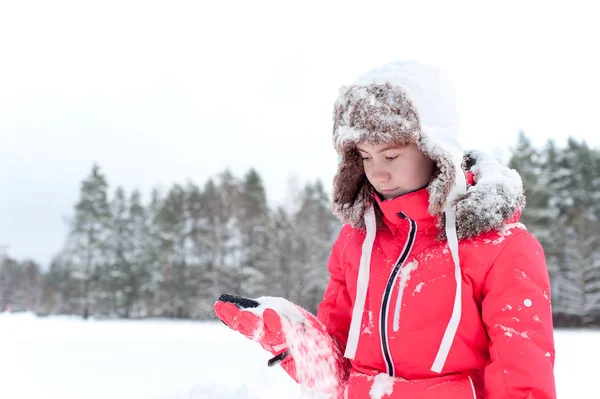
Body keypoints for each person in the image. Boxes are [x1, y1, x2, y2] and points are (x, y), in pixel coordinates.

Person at [214, 60, 557, 398]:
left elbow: (522, 383)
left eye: (391, 156)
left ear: (436, 151)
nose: (377, 173)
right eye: (365, 157)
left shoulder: (503, 247)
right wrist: (291, 335)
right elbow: (335, 375)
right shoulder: (356, 241)